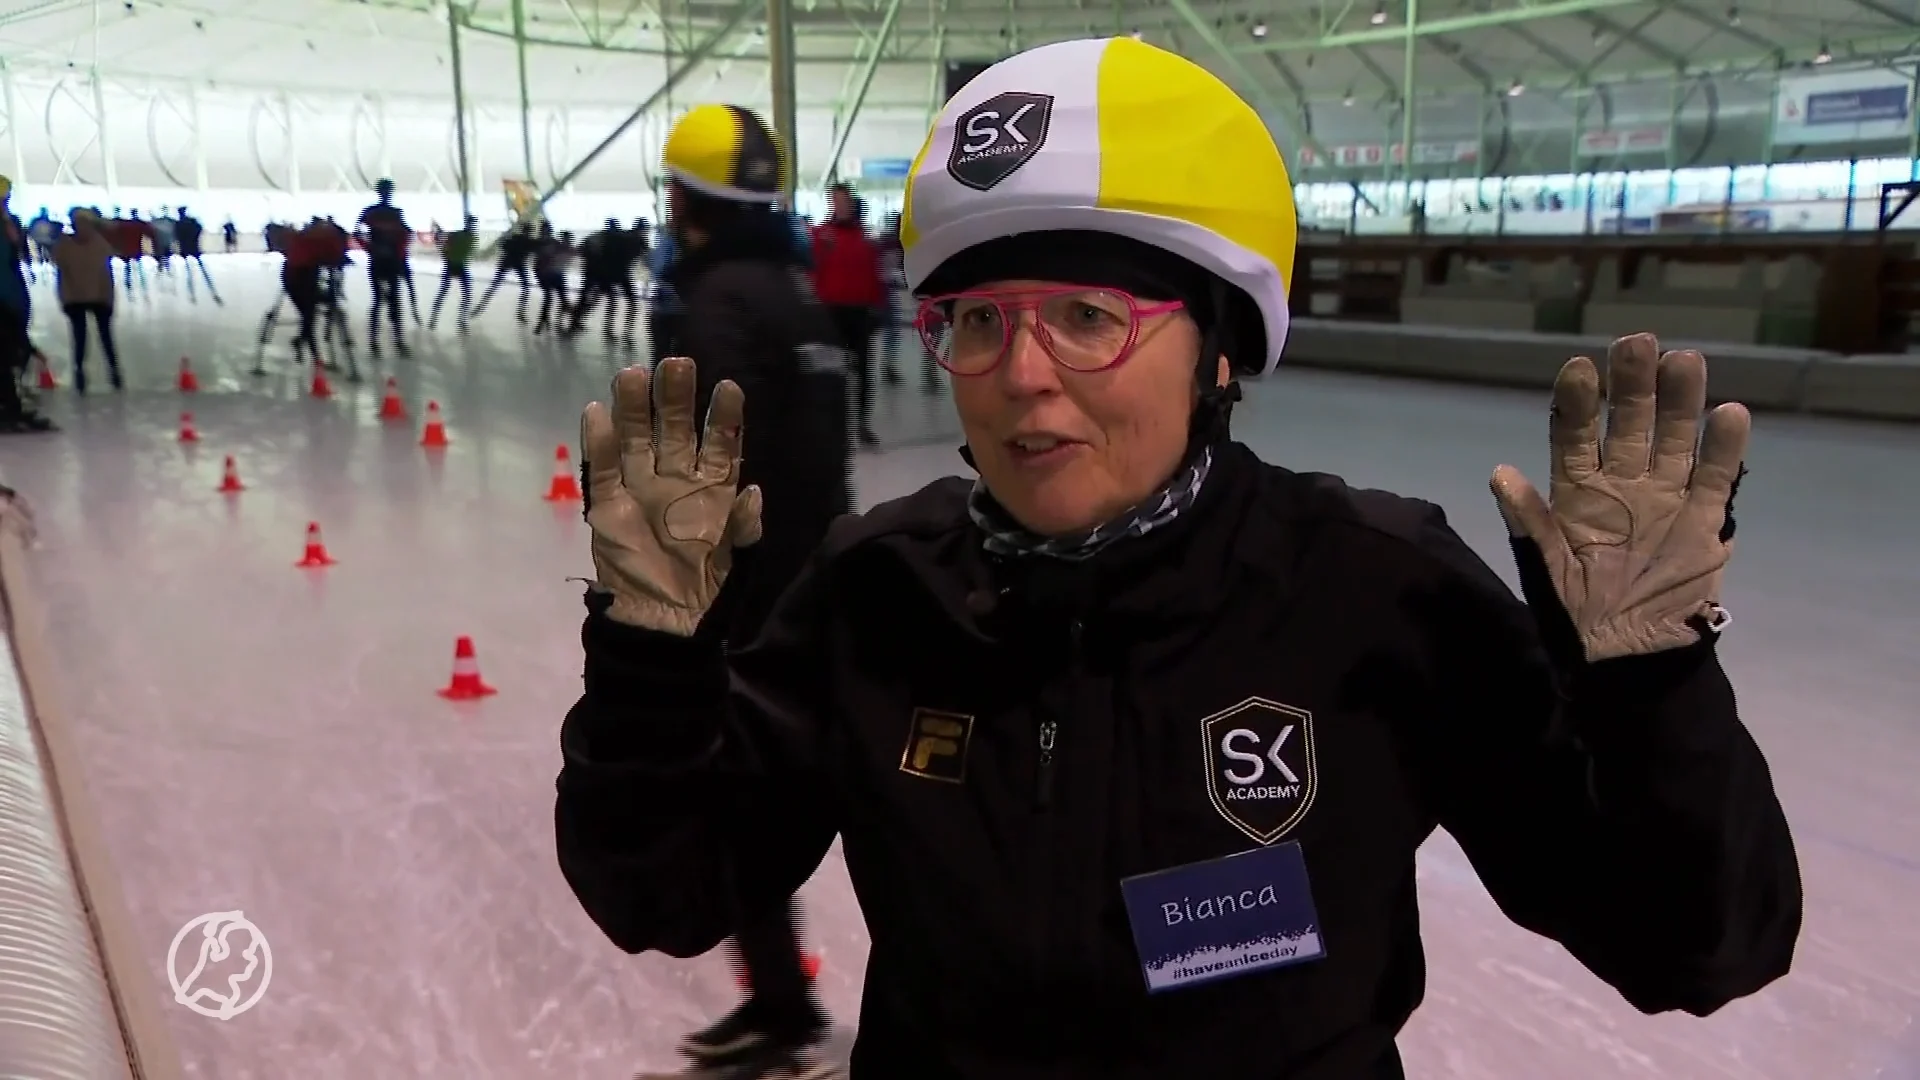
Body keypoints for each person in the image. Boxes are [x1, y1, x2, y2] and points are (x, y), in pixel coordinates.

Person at [553, 38, 1802, 1079]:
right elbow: (660, 893)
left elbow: (1696, 945)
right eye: (977, 321)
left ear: (1216, 351)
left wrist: (1651, 691)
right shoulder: (880, 590)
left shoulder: (1369, 589)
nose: (1021, 376)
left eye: (1089, 317)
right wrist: (653, 662)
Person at [565, 102, 853, 1080]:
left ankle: (786, 1010)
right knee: (761, 806)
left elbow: (703, 454)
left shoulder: (712, 300)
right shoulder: (793, 290)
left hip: (750, 590)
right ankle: (782, 1000)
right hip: (814, 570)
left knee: (732, 803)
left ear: (685, 196)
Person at [810, 182, 886, 448]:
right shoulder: (820, 235)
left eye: (844, 201)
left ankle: (862, 423)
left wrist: (878, 308)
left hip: (859, 313)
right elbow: (811, 272)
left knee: (863, 372)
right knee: (831, 372)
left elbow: (874, 276)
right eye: (835, 200)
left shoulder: (864, 238)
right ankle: (831, 424)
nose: (840, 205)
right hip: (829, 312)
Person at [0, 177, 52, 432]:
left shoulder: (9, 225)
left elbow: (14, 242)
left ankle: (11, 405)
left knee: (9, 354)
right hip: (7, 300)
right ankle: (9, 406)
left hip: (10, 299)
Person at [51, 209, 122, 392]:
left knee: (101, 336)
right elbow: (62, 274)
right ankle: (84, 372)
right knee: (82, 337)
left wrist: (108, 297)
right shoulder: (68, 245)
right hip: (77, 297)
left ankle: (111, 372)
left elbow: (106, 274)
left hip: (94, 297)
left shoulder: (95, 244)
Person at [359, 178, 411, 356]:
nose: (387, 194)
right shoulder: (387, 213)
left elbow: (358, 231)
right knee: (383, 301)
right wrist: (370, 248)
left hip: (385, 261)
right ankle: (388, 340)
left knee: (387, 301)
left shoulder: (384, 213)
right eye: (386, 191)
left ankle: (383, 340)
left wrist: (370, 248)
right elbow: (357, 232)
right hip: (385, 261)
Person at [430, 214, 476, 331]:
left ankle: (436, 318)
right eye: (472, 223)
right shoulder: (468, 236)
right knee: (460, 293)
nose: (472, 225)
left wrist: (438, 231)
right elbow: (445, 242)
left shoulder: (465, 236)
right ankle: (436, 318)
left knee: (448, 292)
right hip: (456, 266)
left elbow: (444, 242)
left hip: (455, 265)